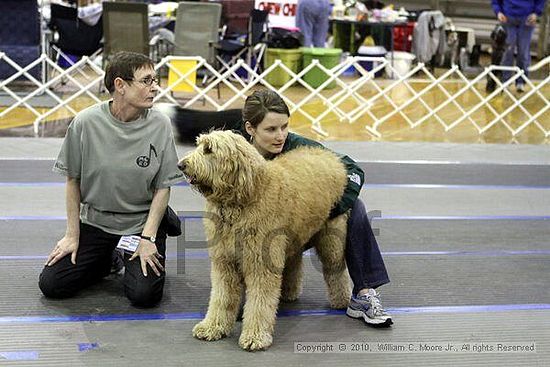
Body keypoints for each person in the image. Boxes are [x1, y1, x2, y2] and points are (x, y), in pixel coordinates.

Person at [230, 89, 392, 326]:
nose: (280, 135)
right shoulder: (232, 152)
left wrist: (324, 212)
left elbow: (352, 171)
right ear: (250, 129)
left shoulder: (297, 145)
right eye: (271, 129)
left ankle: (365, 293)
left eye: (284, 126)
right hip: (251, 239)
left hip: (300, 228)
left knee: (355, 206)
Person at [38, 51, 184, 308]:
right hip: (96, 222)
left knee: (143, 295)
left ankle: (157, 229)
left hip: (141, 222)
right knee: (52, 284)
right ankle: (110, 259)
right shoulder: (85, 123)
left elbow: (163, 187)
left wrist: (148, 238)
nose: (155, 88)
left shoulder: (160, 126)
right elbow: (73, 181)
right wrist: (72, 235)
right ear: (120, 85)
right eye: (146, 81)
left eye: (155, 80)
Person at [491, 0, 547, 92]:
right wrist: (498, 11)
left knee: (523, 51)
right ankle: (505, 81)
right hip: (507, 17)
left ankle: (521, 82)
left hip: (527, 18)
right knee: (507, 51)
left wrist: (536, 13)